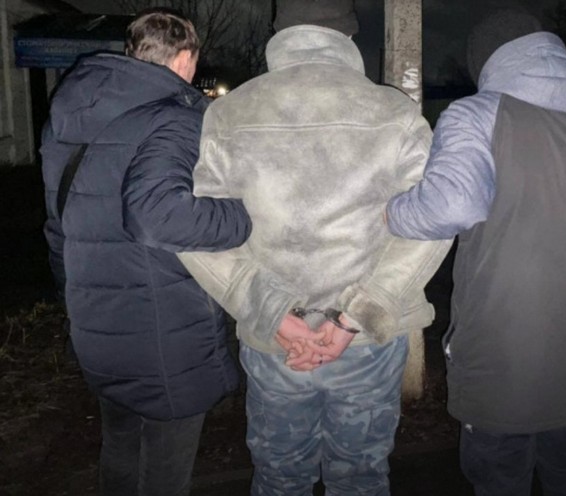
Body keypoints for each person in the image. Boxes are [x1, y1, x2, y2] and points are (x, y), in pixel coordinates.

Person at [177, 1, 452, 493]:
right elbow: (432, 223)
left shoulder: (229, 112)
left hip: (276, 339)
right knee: (361, 477)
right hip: (366, 341)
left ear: (279, 31)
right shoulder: (395, 112)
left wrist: (273, 312)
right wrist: (357, 315)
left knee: (280, 478)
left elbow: (197, 231)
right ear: (347, 33)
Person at [386, 6, 566, 496]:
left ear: (487, 63)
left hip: (498, 369)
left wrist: (390, 212)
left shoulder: (475, 114)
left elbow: (449, 205)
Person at [41, 8, 251, 496]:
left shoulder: (67, 116)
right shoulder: (176, 118)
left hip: (96, 320)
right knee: (165, 469)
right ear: (184, 59)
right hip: (163, 332)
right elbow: (159, 216)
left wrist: (75, 297)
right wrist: (245, 218)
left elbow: (57, 226)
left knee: (119, 446)